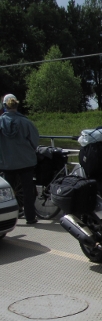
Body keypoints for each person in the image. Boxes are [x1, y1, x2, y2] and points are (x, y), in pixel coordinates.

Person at [0, 94, 40, 224]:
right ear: (17, 105)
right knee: (28, 190)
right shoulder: (26, 122)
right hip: (26, 161)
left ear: (4, 105)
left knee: (7, 193)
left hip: (7, 163)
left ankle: (8, 218)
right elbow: (34, 141)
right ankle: (30, 217)